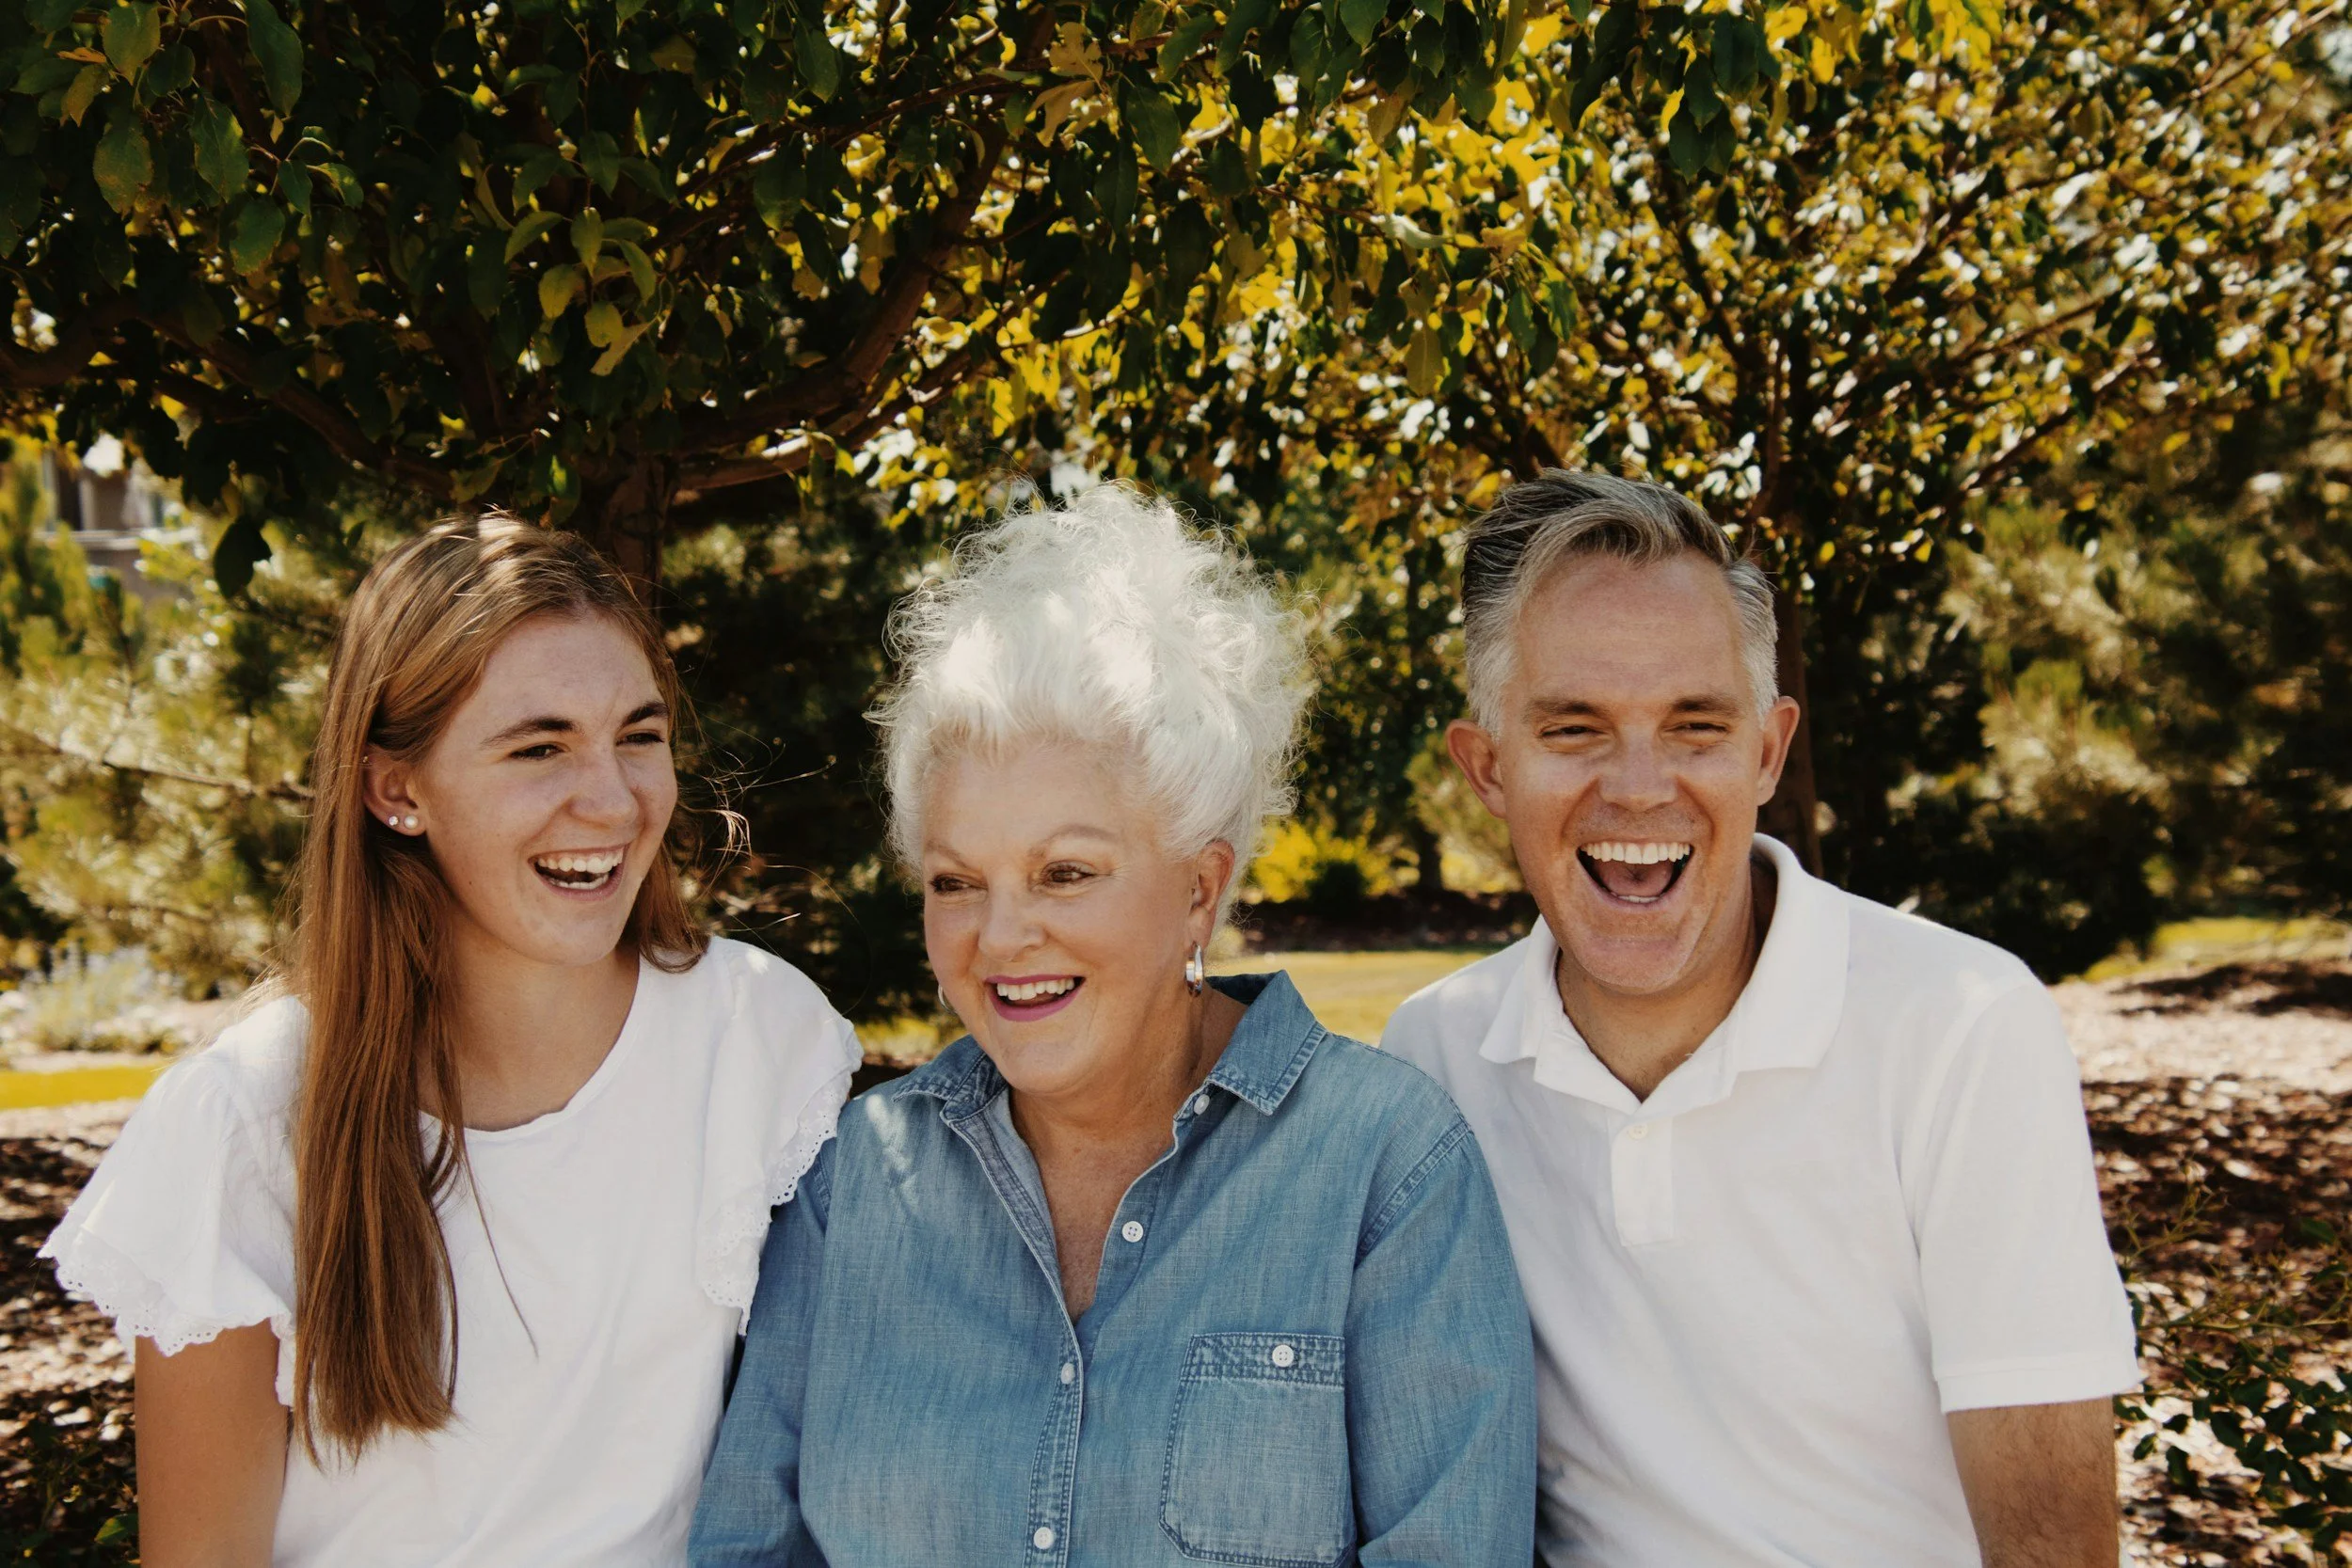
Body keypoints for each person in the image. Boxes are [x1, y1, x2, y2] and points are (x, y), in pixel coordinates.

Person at [691, 485, 1536, 1567]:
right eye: (957, 880)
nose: (1001, 936)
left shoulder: (1385, 1170)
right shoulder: (850, 1186)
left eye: (1066, 871)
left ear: (1198, 888)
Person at [42, 516, 861, 1567]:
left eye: (639, 734)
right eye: (539, 746)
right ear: (395, 789)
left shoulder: (762, 1038)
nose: (611, 798)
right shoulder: (243, 1121)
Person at [1382, 472, 2140, 1567]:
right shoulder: (1435, 1059)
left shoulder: (1961, 1028)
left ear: (1768, 750)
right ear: (1487, 765)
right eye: (1573, 728)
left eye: (1695, 725)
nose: (1639, 787)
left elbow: (2053, 1548)